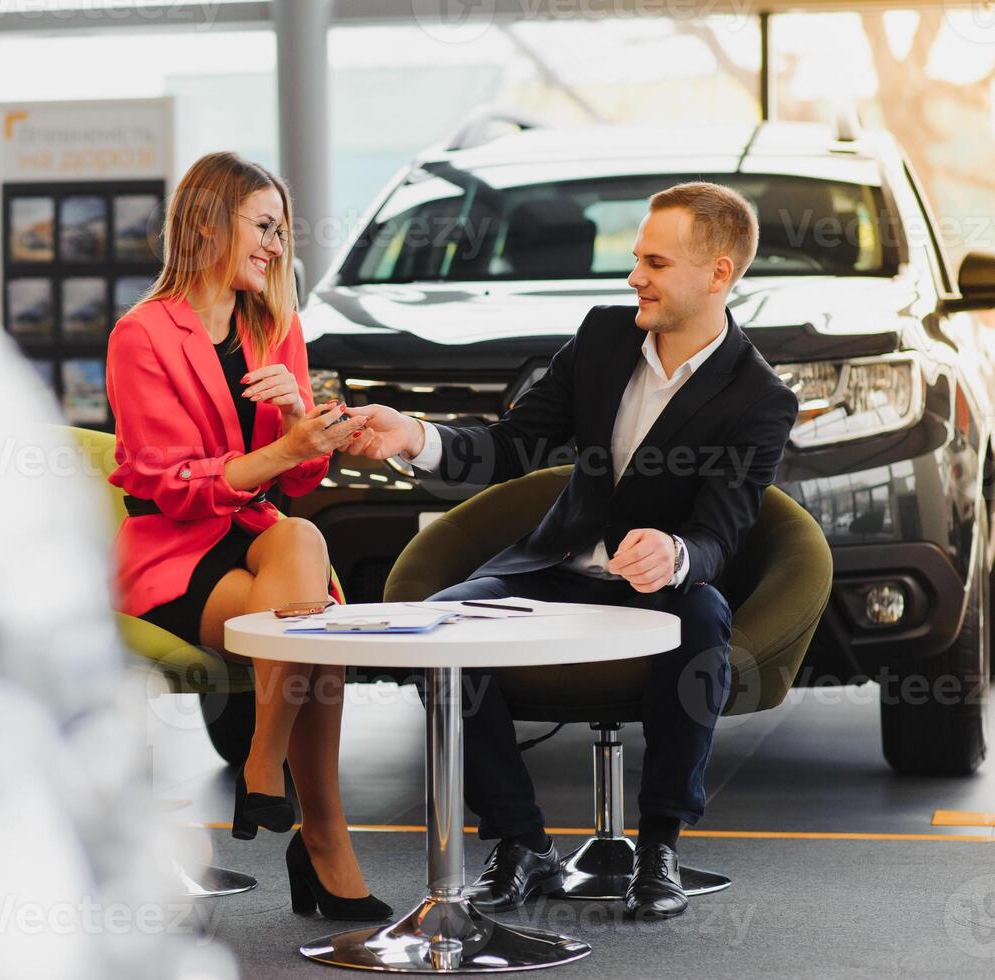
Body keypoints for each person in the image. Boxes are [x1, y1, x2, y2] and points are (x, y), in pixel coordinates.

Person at [346, 182, 798, 919]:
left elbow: (722, 529)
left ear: (718, 273)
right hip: (554, 568)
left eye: (654, 262)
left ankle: (659, 846)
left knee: (704, 619)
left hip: (657, 586)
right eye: (635, 258)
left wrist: (676, 554)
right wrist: (413, 435)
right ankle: (522, 842)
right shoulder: (601, 337)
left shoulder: (758, 398)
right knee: (440, 627)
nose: (632, 278)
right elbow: (510, 445)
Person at [106, 151, 390, 921]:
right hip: (174, 547)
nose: (275, 246)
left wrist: (302, 421)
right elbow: (167, 481)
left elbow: (296, 486)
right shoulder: (141, 335)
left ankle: (263, 765)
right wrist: (283, 450)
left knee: (300, 540)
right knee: (314, 634)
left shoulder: (276, 323)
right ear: (206, 222)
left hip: (257, 532)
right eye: (263, 226)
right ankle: (323, 842)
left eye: (282, 231)